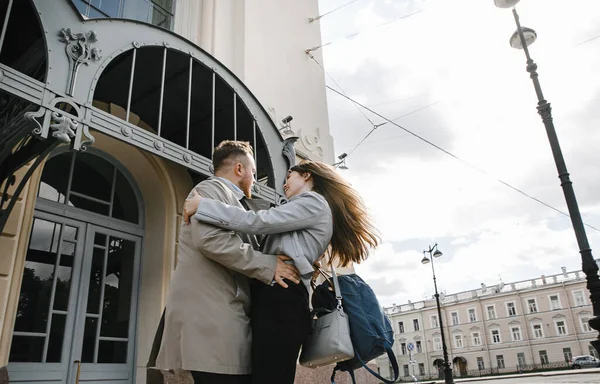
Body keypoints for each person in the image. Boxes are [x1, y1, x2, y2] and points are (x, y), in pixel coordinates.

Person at [183, 160, 380, 383]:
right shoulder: (301, 207)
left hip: (282, 298)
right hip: (278, 298)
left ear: (306, 176)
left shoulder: (313, 201)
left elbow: (258, 222)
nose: (284, 184)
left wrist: (204, 205)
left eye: (289, 176)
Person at [155, 140, 301, 384]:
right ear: (239, 169)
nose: (254, 179)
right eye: (253, 172)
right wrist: (269, 265)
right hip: (212, 318)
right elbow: (211, 240)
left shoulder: (225, 197)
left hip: (222, 315)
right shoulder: (210, 190)